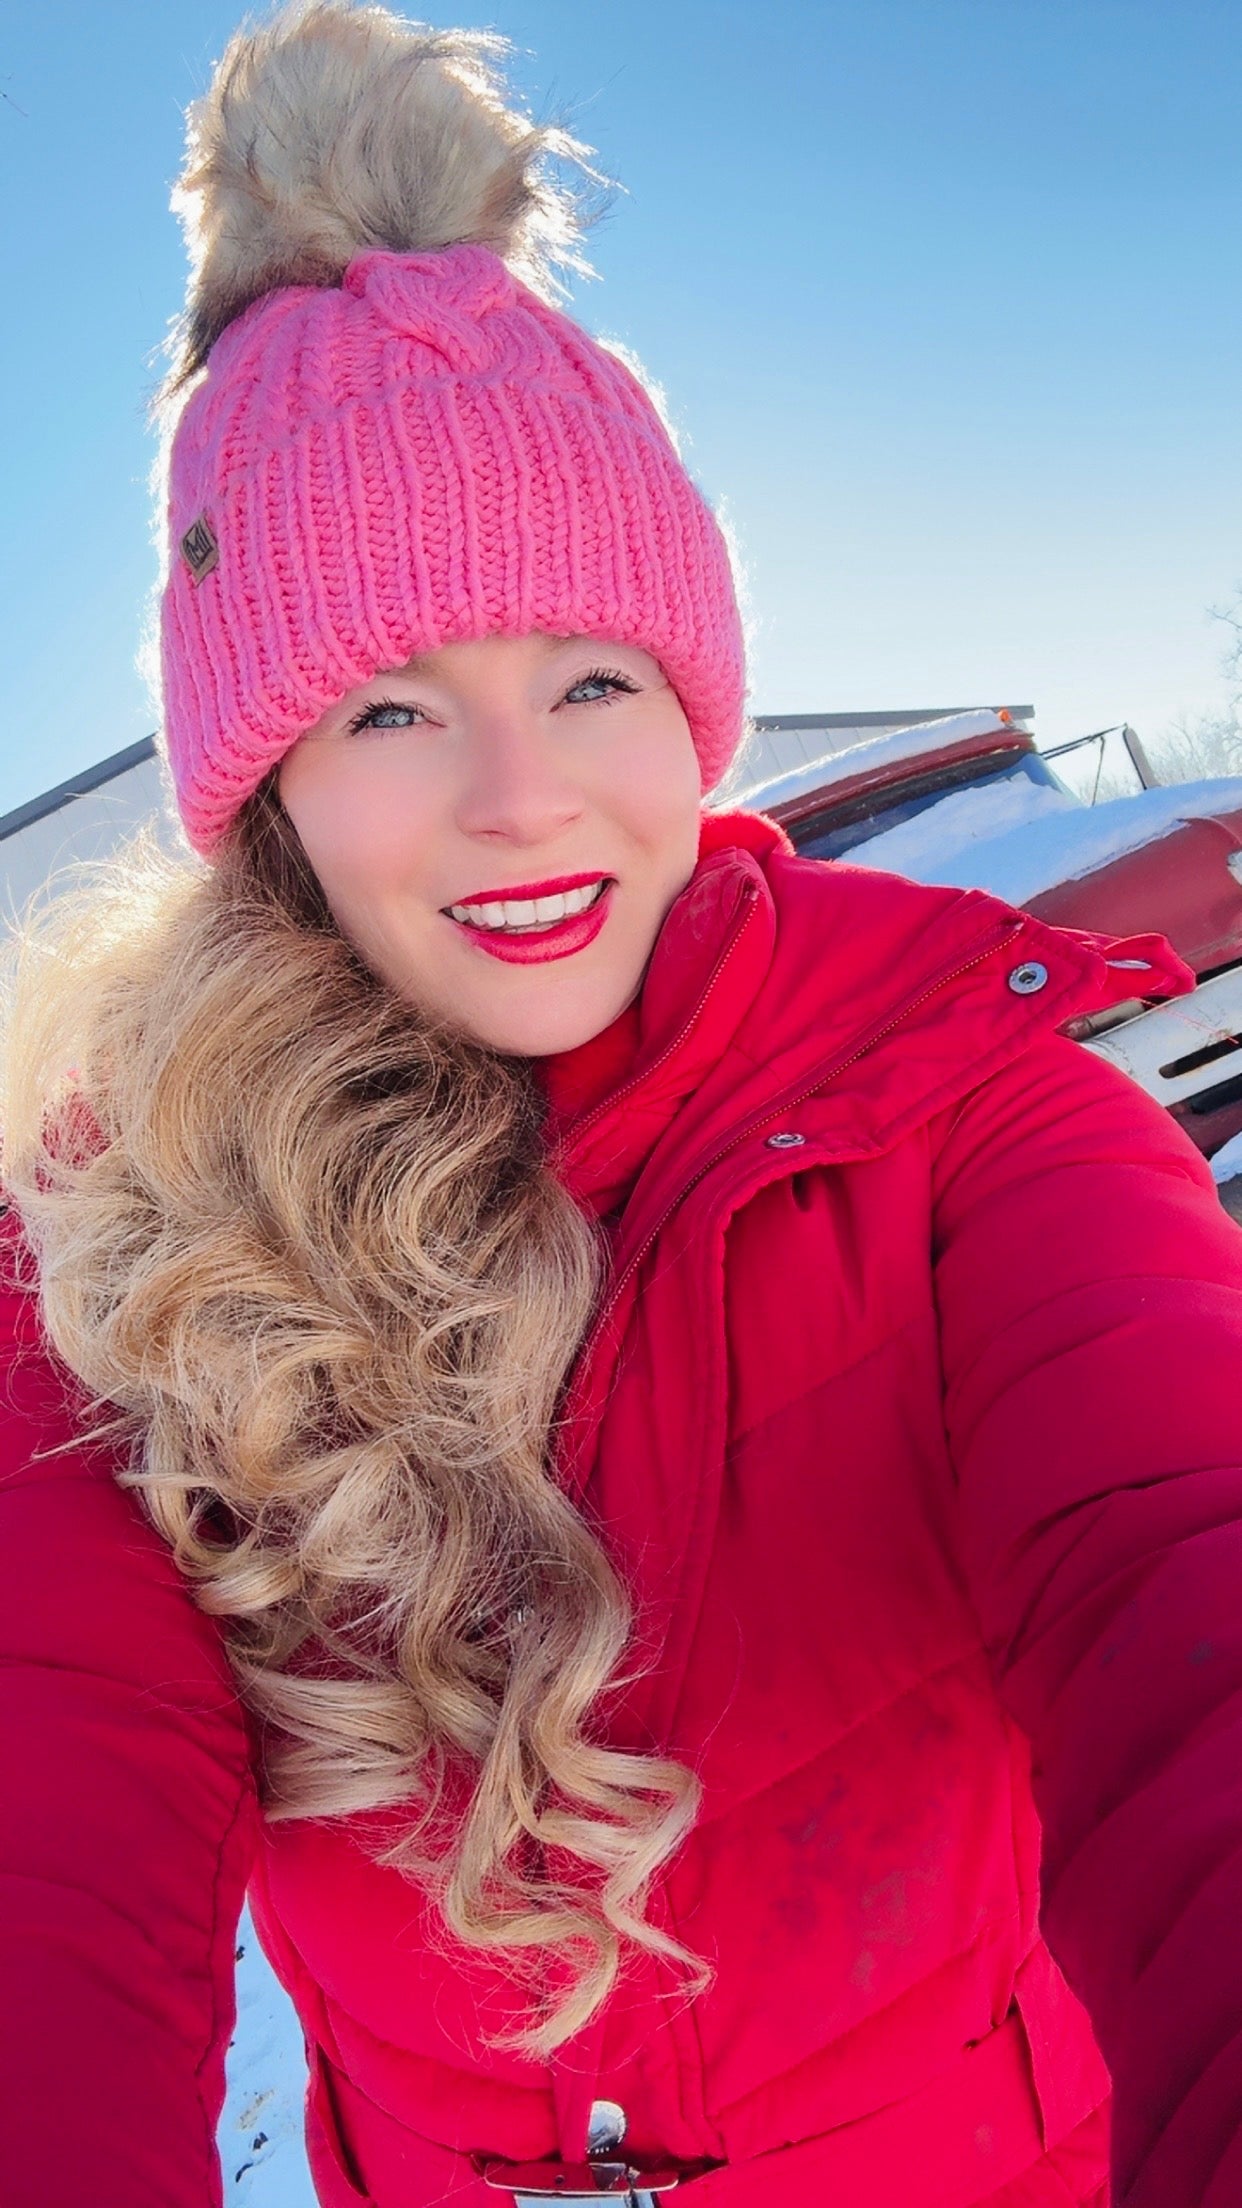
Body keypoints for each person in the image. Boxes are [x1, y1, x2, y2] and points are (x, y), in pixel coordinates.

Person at [2, 6, 1241, 2205]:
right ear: (267, 786)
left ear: (693, 717)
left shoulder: (965, 1111)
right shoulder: (114, 1248)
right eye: (389, 702)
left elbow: (1193, 1578)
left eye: (593, 678)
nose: (522, 797)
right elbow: (45, 1831)